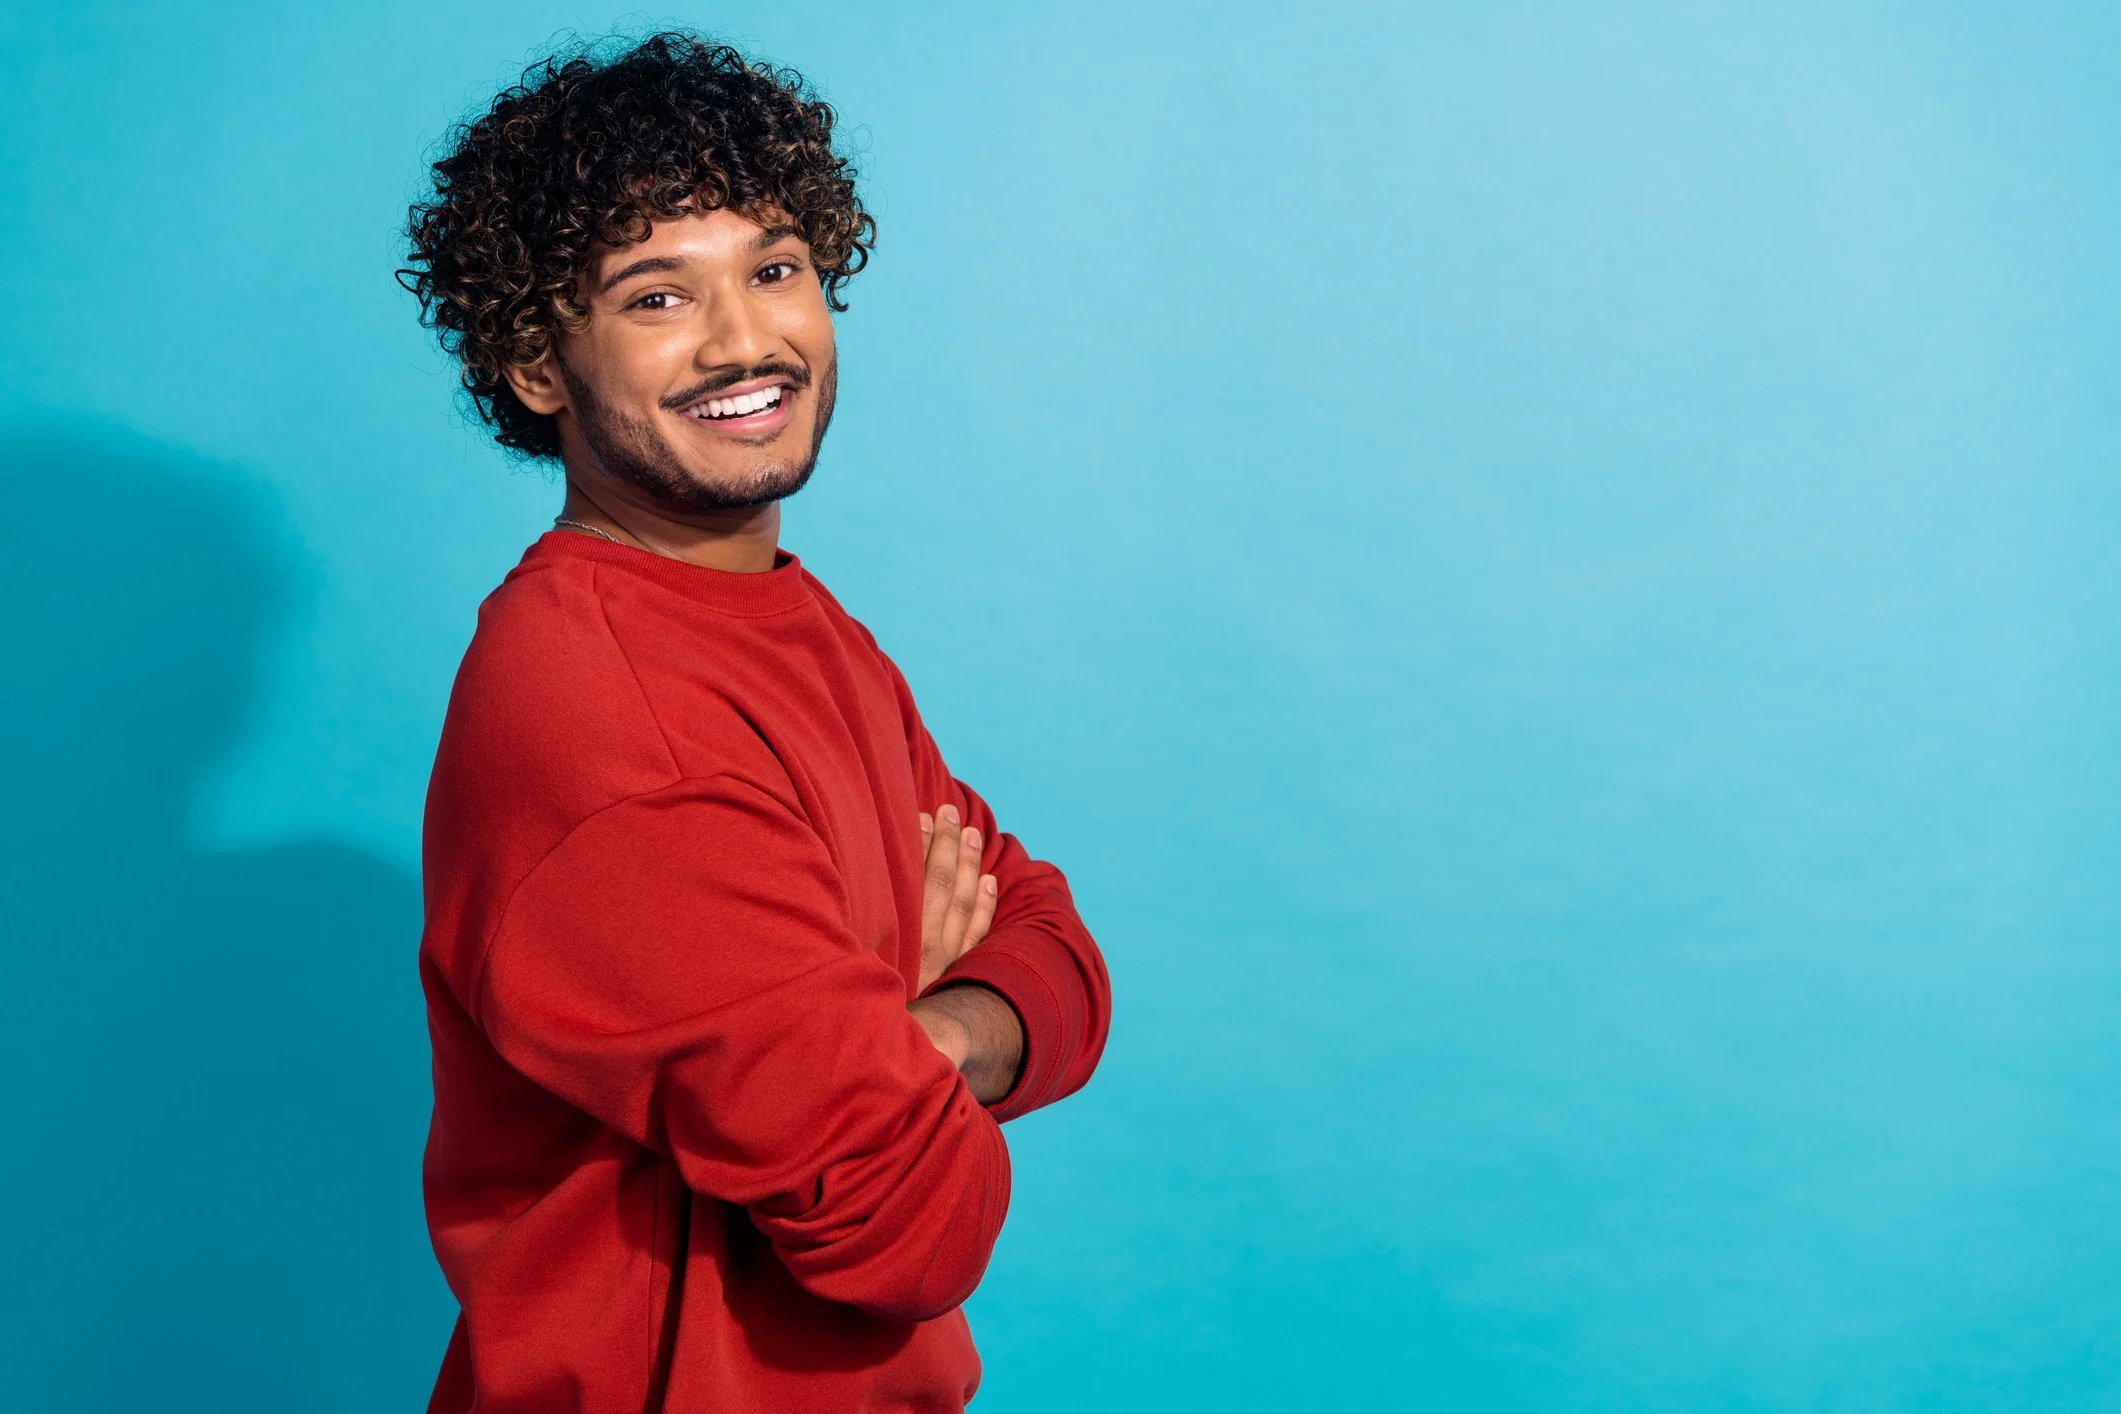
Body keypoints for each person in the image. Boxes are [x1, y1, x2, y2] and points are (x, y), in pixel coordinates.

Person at [400, 33, 1112, 1413]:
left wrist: (916, 1034)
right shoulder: (598, 718)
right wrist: (917, 1018)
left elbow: (1062, 960)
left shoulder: (807, 627)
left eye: (774, 269)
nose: (746, 341)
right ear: (538, 366)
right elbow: (907, 1221)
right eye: (659, 294)